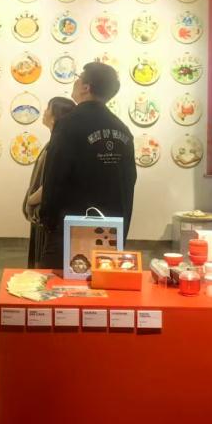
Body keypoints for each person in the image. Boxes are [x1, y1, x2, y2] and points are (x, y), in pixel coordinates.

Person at [37, 62, 137, 270]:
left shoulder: (68, 124)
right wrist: (122, 228)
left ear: (86, 87)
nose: (75, 81)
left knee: (62, 285)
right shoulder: (122, 129)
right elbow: (129, 181)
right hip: (110, 229)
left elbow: (55, 176)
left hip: (71, 229)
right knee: (103, 282)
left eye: (78, 77)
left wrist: (48, 221)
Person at [22, 97, 76, 267]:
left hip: (45, 214)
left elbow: (52, 181)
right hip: (41, 214)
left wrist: (31, 200)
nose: (44, 112)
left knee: (43, 266)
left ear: (55, 116)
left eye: (48, 108)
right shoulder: (55, 142)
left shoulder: (58, 145)